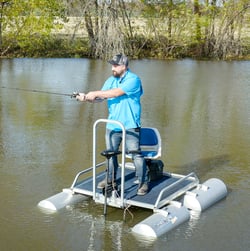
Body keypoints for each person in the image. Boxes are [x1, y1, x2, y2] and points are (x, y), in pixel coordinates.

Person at [76, 53, 148, 196]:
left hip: (130, 125)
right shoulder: (111, 80)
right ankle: (110, 180)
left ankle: (143, 181)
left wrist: (95, 92)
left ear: (124, 66)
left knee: (135, 155)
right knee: (110, 154)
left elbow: (115, 93)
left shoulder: (133, 80)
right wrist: (86, 98)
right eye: (112, 65)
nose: (112, 68)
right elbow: (102, 97)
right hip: (112, 125)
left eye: (115, 65)